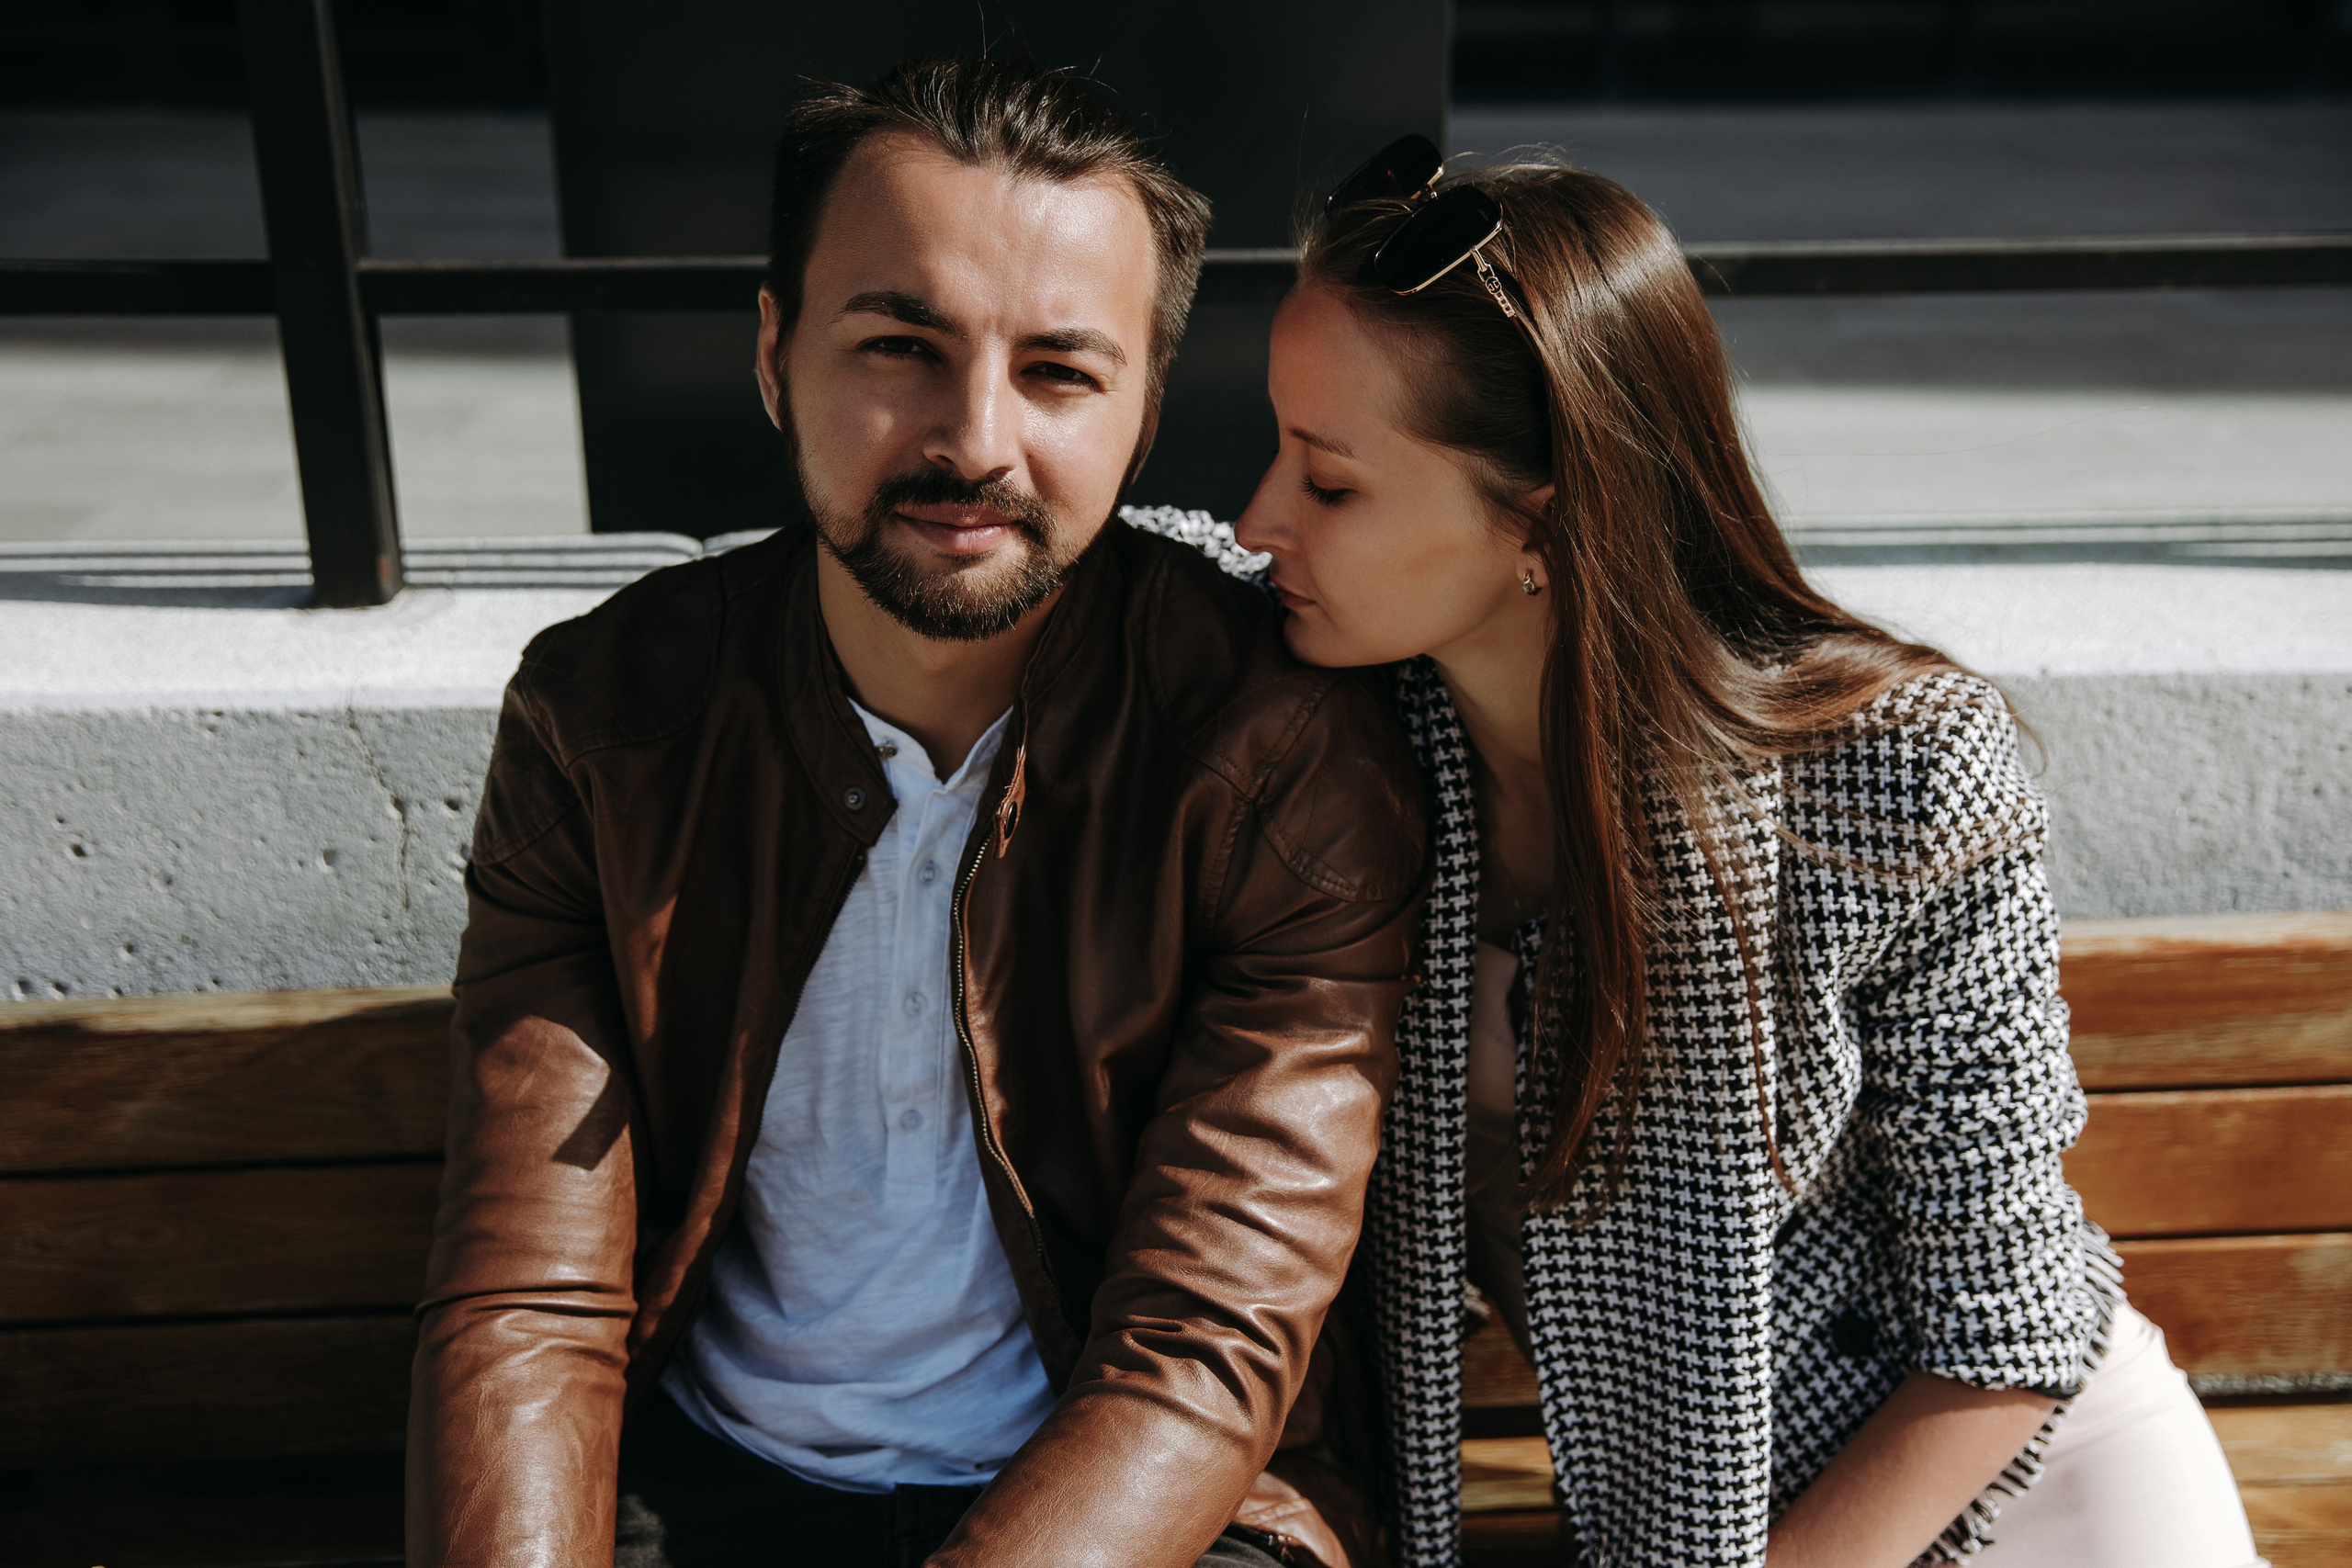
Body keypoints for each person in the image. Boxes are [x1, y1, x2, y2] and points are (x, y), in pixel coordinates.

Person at [406, 60, 1427, 1568]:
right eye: (901, 346)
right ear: (775, 356)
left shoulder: (1274, 755)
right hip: (702, 1488)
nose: (976, 441)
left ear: (1146, 417)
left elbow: (1202, 1345)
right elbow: (528, 1299)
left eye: (1060, 372)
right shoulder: (606, 720)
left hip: (1149, 1508)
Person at [1206, 138, 2264, 1567]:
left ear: (1543, 520)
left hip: (2022, 1485)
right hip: (1666, 1522)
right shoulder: (1355, 728)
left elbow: (2006, 1330)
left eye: (1329, 485)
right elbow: (1106, 556)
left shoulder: (1896, 777)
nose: (1259, 518)